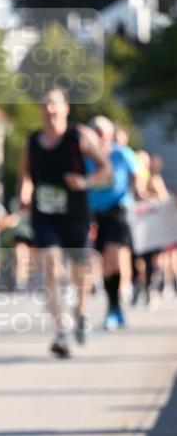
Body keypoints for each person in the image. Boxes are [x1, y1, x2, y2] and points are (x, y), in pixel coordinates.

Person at [18, 88, 111, 357]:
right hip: (44, 213)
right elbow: (25, 175)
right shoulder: (33, 142)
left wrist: (85, 182)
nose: (50, 110)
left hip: (75, 213)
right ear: (40, 110)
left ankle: (80, 311)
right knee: (50, 263)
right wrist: (24, 193)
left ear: (66, 108)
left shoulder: (78, 137)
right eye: (45, 105)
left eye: (55, 105)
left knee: (79, 270)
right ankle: (60, 331)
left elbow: (106, 169)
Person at [86, 117, 144, 327]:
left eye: (103, 131)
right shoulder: (87, 157)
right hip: (96, 213)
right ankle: (114, 305)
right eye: (95, 131)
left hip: (119, 210)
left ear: (110, 134)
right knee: (105, 262)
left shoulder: (121, 153)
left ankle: (115, 306)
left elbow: (137, 174)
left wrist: (138, 191)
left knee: (114, 254)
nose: (99, 135)